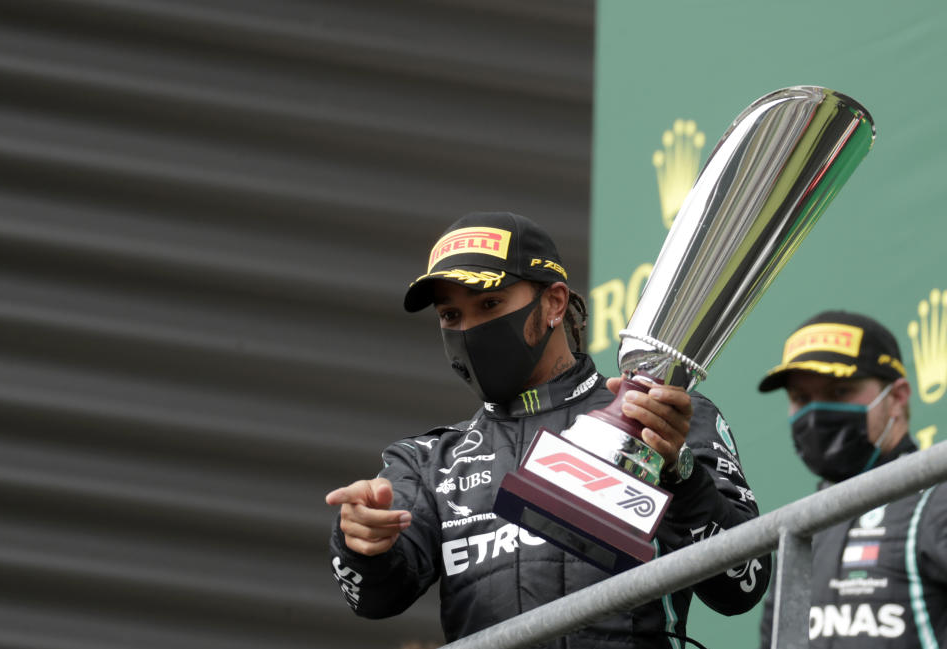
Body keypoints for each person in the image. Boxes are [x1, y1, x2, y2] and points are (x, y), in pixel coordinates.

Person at [327, 211, 771, 648]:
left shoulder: (658, 417)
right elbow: (376, 598)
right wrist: (363, 543)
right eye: (450, 316)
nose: (469, 329)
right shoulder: (429, 461)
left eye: (489, 304)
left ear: (555, 303)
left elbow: (743, 586)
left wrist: (681, 473)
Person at [757, 310, 947, 648]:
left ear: (897, 397)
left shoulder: (935, 500)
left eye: (840, 391)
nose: (815, 414)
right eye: (801, 398)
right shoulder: (800, 532)